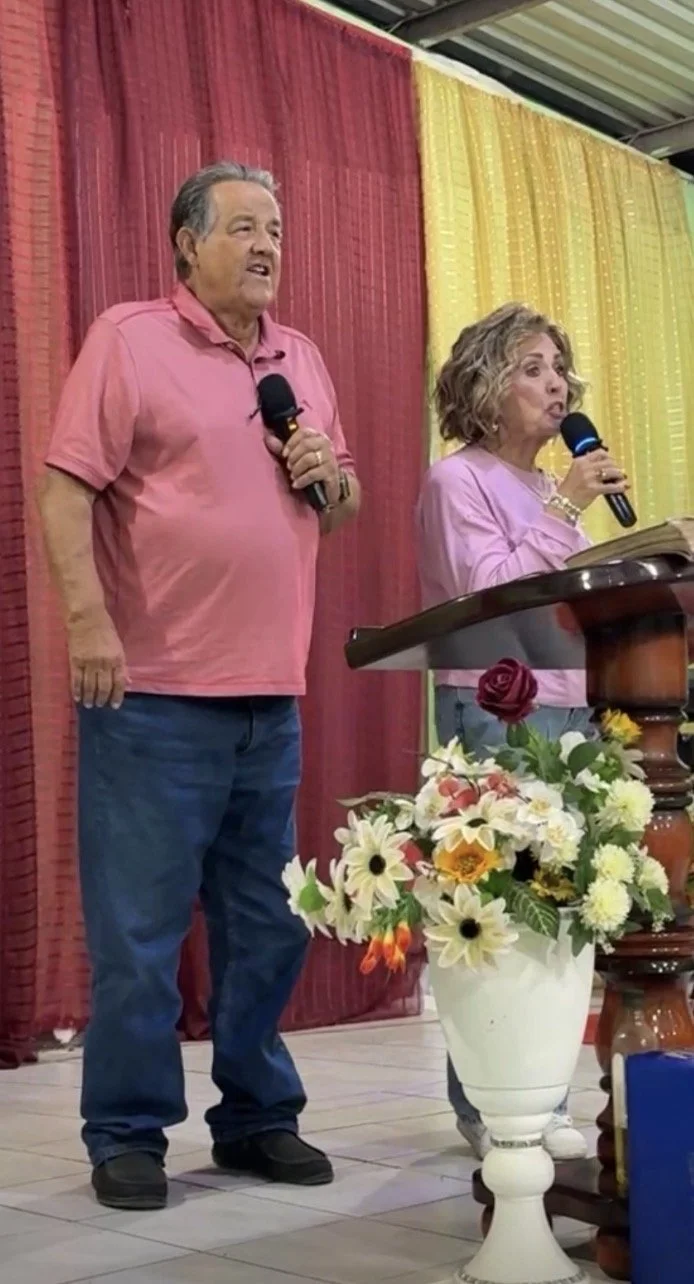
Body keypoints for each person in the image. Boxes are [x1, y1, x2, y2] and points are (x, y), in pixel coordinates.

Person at [39, 161, 360, 1211]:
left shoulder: (299, 358)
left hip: (272, 694)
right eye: (242, 228)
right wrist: (88, 621)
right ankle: (127, 1130)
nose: (266, 246)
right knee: (138, 931)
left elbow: (341, 499)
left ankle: (257, 1119)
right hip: (155, 692)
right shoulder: (130, 339)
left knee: (265, 921)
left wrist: (327, 469)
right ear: (186, 242)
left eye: (276, 229)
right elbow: (63, 487)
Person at [416, 302, 630, 1162]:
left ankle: (539, 1087)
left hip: (574, 711)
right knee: (497, 907)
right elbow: (489, 591)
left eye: (561, 370)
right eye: (535, 367)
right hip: (498, 709)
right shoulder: (455, 481)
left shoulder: (551, 486)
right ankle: (487, 1103)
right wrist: (567, 510)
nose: (558, 385)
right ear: (484, 384)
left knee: (561, 914)